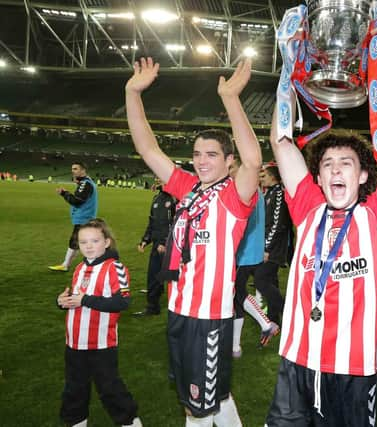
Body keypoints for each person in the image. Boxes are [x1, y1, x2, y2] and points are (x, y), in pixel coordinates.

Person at [264, 21, 377, 427]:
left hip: (353, 369)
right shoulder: (307, 206)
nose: (335, 169)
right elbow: (280, 142)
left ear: (363, 175)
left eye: (345, 162)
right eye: (327, 164)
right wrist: (289, 64)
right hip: (296, 361)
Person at [126, 57, 261, 427]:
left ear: (228, 161)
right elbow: (148, 149)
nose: (201, 161)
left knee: (197, 408)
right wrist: (132, 93)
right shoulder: (187, 188)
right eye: (198, 154)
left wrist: (231, 98)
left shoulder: (233, 197)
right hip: (180, 311)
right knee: (216, 397)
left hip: (208, 319)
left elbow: (253, 161)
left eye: (212, 155)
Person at [56, 219, 142, 427]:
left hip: (101, 344)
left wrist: (85, 300)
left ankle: (130, 422)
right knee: (74, 388)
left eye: (94, 241)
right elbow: (75, 298)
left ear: (106, 242)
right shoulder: (79, 268)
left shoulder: (115, 268)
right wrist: (62, 301)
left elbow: (122, 301)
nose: (88, 246)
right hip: (75, 342)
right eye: (83, 242)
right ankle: (77, 422)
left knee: (110, 388)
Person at [229, 160, 277, 358]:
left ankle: (266, 324)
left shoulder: (244, 190)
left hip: (244, 252)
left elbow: (241, 224)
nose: (228, 171)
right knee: (236, 299)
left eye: (232, 168)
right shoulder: (253, 189)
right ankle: (235, 347)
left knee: (237, 293)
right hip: (250, 251)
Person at [251, 164, 291, 337]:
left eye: (264, 176)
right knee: (271, 282)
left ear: (273, 177)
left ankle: (287, 312)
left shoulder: (279, 193)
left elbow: (277, 224)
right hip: (269, 245)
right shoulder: (270, 193)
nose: (262, 178)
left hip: (275, 248)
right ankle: (275, 320)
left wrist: (267, 247)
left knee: (260, 279)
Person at [134, 180, 176, 316]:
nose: (157, 180)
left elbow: (176, 223)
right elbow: (152, 222)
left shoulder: (176, 198)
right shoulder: (157, 198)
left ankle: (157, 306)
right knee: (154, 274)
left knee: (168, 275)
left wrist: (165, 242)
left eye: (161, 178)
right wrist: (145, 240)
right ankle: (154, 303)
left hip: (170, 245)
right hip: (158, 244)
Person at [49, 162, 98, 272]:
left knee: (79, 242)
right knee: (78, 242)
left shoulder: (86, 184)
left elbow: (77, 201)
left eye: (75, 169)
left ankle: (67, 265)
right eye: (72, 168)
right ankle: (67, 264)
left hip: (84, 218)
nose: (73, 171)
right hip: (85, 217)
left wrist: (64, 193)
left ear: (83, 170)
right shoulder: (86, 182)